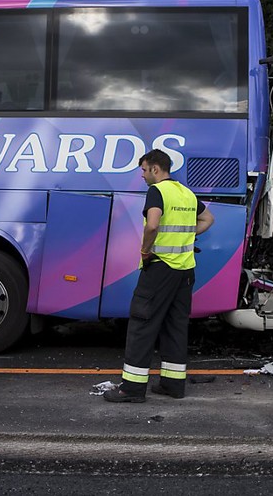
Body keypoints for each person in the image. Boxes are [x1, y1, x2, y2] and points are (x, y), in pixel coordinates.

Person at [104, 149, 214, 403]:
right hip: (185, 271)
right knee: (175, 326)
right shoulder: (186, 193)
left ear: (155, 169)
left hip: (160, 267)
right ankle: (173, 385)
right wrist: (188, 235)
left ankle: (131, 389)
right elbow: (208, 218)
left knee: (142, 325)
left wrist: (145, 251)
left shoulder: (157, 191)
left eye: (143, 170)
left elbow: (153, 224)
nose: (142, 175)